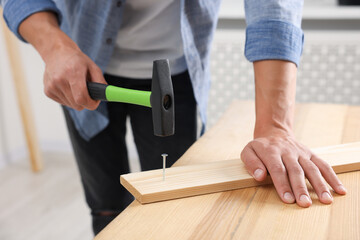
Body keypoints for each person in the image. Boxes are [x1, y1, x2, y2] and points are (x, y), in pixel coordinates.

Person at [1, 0, 347, 235]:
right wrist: (55, 46)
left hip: (176, 74)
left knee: (174, 201)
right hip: (80, 74)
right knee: (105, 202)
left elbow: (274, 8)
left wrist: (274, 126)